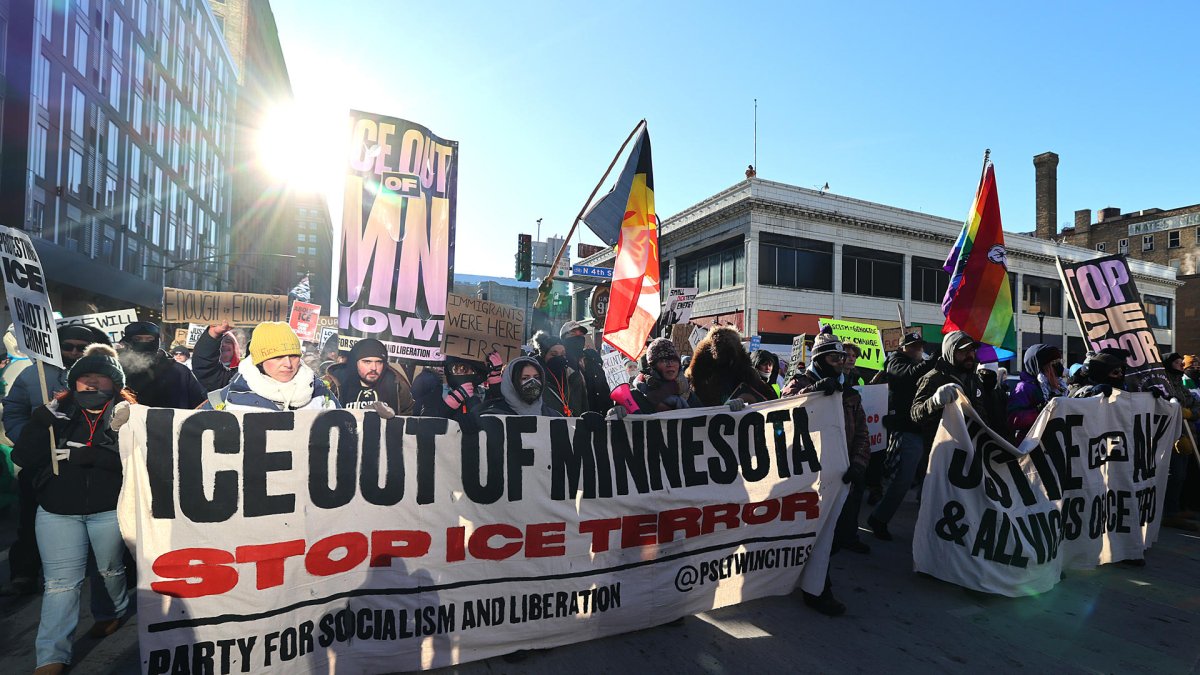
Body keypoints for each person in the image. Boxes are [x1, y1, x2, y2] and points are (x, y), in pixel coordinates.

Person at [12, 344, 134, 674]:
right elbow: (21, 459)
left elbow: (143, 464)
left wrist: (98, 457)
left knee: (110, 571)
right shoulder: (56, 415)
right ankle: (51, 655)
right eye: (85, 378)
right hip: (56, 512)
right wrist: (39, 424)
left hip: (109, 511)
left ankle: (112, 612)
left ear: (113, 384)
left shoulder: (129, 415)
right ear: (74, 382)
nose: (92, 384)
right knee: (60, 585)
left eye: (100, 378)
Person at [1, 325, 109, 598]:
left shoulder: (104, 377)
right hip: (42, 464)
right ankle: (24, 574)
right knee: (30, 520)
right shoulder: (31, 375)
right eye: (68, 346)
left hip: (88, 466)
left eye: (80, 348)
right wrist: (28, 437)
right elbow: (14, 412)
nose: (73, 352)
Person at [782, 326, 872, 555]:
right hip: (809, 472)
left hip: (842, 469)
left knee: (842, 523)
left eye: (843, 357)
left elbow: (862, 432)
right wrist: (813, 392)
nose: (841, 362)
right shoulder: (799, 382)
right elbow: (785, 409)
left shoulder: (849, 392)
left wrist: (859, 463)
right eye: (834, 358)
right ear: (820, 359)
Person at [866, 331, 934, 541]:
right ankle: (879, 518)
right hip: (905, 430)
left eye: (919, 346)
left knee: (926, 479)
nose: (917, 350)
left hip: (921, 429)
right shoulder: (895, 362)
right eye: (912, 346)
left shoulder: (918, 363)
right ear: (902, 348)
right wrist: (932, 361)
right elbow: (908, 375)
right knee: (901, 480)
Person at [202, 322, 340, 411]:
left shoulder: (321, 394)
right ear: (260, 361)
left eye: (293, 356)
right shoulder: (225, 399)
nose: (287, 364)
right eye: (278, 357)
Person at [911, 331, 994, 441]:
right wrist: (934, 402)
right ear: (950, 352)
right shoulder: (932, 379)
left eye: (971, 350)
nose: (969, 355)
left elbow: (981, 413)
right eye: (963, 350)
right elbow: (915, 414)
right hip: (944, 450)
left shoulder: (974, 379)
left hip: (972, 448)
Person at [118, 322, 206, 409]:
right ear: (127, 342)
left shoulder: (180, 371)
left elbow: (199, 405)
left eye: (149, 339)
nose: (144, 343)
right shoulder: (117, 371)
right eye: (137, 339)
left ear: (157, 341)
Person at [609, 338, 701, 417]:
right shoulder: (634, 398)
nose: (670, 364)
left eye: (673, 360)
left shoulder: (690, 396)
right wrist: (616, 412)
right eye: (663, 360)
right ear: (652, 367)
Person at [687, 326, 776, 407]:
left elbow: (765, 394)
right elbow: (695, 396)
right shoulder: (700, 369)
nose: (727, 364)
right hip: (712, 415)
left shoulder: (743, 367)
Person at [1161, 352, 1200, 532]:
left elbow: (1196, 404)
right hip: (1172, 437)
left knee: (1183, 474)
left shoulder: (1180, 385)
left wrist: (1191, 413)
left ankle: (1179, 508)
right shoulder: (1163, 384)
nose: (1181, 366)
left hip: (1188, 435)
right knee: (1175, 475)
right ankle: (1169, 513)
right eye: (1177, 363)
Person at [324, 338, 415, 414]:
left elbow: (407, 421)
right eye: (367, 362)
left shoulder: (397, 386)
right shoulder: (333, 385)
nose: (374, 368)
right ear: (354, 363)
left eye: (379, 362)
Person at [1007, 344, 1067, 442]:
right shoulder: (1024, 387)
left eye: (1059, 362)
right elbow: (1013, 419)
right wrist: (1039, 411)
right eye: (1053, 363)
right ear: (1040, 367)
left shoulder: (1059, 387)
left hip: (1053, 442)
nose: (1058, 366)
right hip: (1032, 445)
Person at [479, 356, 564, 416]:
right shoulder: (494, 414)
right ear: (511, 383)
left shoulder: (554, 416)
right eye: (525, 378)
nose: (532, 382)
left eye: (537, 377)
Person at [531, 331, 588, 416]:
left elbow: (584, 407)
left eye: (563, 354)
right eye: (554, 354)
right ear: (544, 356)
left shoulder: (574, 377)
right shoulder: (535, 379)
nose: (559, 358)